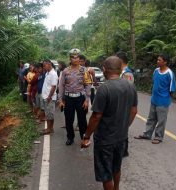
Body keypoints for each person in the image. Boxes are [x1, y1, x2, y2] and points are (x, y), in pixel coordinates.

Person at [81, 56, 137, 190]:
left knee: (106, 174)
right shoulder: (130, 86)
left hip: (105, 140)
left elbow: (96, 116)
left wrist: (87, 136)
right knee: (116, 168)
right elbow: (134, 111)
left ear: (105, 70)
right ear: (120, 69)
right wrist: (124, 126)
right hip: (121, 138)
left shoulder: (104, 89)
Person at [134, 53, 176, 144]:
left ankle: (158, 137)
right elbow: (154, 83)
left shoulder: (170, 73)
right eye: (157, 60)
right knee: (151, 118)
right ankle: (147, 134)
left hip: (163, 101)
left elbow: (172, 89)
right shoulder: (156, 70)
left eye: (159, 60)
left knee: (161, 120)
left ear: (165, 62)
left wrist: (166, 99)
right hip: (154, 99)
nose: (157, 61)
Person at [58, 48, 92, 145]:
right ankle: (70, 137)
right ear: (70, 59)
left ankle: (84, 137)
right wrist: (61, 100)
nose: (75, 59)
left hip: (80, 98)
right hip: (68, 98)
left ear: (79, 58)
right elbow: (61, 85)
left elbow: (88, 84)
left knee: (82, 119)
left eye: (77, 57)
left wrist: (87, 100)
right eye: (73, 57)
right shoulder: (65, 71)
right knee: (69, 119)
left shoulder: (84, 70)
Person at [116, 51, 134, 157]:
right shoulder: (122, 72)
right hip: (121, 103)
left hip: (125, 104)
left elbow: (128, 90)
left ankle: (124, 150)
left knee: (123, 127)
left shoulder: (127, 73)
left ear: (121, 61)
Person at [41, 59, 58, 135]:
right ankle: (50, 128)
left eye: (44, 65)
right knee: (48, 114)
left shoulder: (53, 74)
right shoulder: (48, 73)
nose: (44, 67)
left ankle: (49, 129)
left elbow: (53, 86)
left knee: (50, 114)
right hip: (46, 96)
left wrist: (49, 96)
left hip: (49, 97)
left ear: (49, 64)